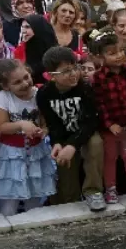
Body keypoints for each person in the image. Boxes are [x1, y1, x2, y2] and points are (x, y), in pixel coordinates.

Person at [37, 46, 105, 210]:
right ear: (51, 76)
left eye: (76, 67)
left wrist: (73, 145)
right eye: (66, 71)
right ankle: (70, 199)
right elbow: (53, 124)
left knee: (95, 144)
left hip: (86, 133)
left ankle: (93, 191)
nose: (74, 73)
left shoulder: (85, 88)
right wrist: (58, 143)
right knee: (63, 163)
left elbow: (91, 122)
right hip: (64, 136)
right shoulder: (44, 94)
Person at [0, 58, 57, 217]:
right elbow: (3, 126)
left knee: (35, 194)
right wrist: (21, 125)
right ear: (5, 86)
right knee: (10, 197)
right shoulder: (3, 97)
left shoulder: (38, 93)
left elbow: (45, 123)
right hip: (11, 153)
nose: (25, 84)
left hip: (36, 151)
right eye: (17, 82)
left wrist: (43, 131)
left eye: (26, 77)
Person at [90, 31, 126, 201]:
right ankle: (111, 189)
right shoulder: (98, 78)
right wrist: (109, 124)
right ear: (100, 56)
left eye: (120, 51)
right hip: (110, 128)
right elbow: (99, 104)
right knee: (110, 158)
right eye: (112, 53)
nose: (118, 56)